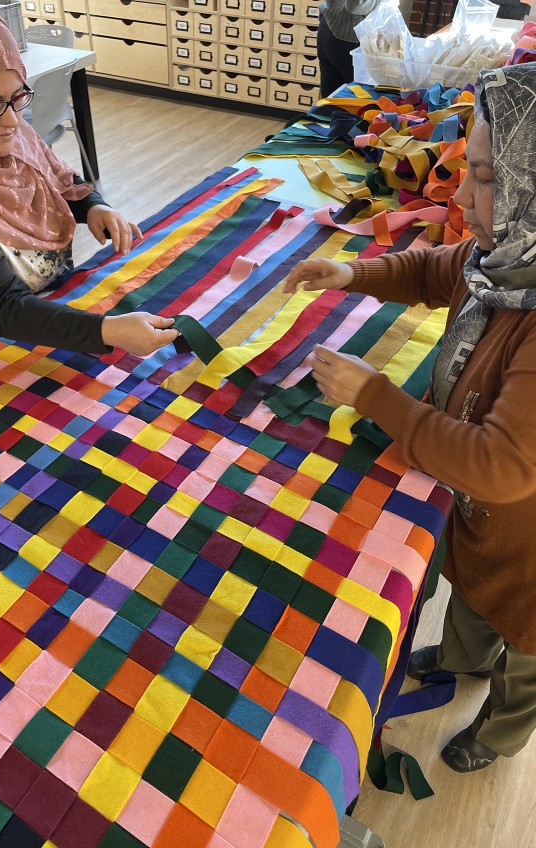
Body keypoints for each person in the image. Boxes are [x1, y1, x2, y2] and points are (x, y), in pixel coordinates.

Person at [284, 63, 536, 772]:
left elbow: (500, 463)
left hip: (532, 550)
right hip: (489, 523)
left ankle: (501, 730)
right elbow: (435, 270)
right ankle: (463, 657)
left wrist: (376, 397)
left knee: (526, 641)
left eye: (484, 176)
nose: (459, 191)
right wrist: (353, 272)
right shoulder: (504, 255)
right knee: (472, 593)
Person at [0, 0, 179, 355]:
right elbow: (3, 307)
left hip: (47, 312)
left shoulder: (3, 131)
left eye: (18, 97)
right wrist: (106, 331)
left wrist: (92, 206)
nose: (13, 121)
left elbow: (55, 179)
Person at [317, 0, 383, 97]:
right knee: (357, 102)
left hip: (330, 27)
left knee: (330, 103)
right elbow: (356, 5)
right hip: (350, 37)